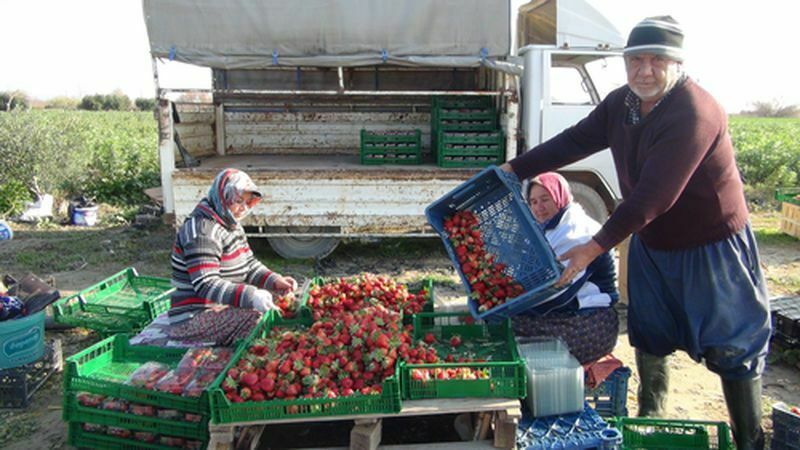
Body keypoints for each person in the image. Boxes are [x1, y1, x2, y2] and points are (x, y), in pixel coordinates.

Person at [501, 16, 770, 449]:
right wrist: (514, 169)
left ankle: (750, 440)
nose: (645, 70)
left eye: (657, 60)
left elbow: (652, 198)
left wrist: (592, 249)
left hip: (710, 246)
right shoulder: (622, 104)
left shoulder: (693, 112)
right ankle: (650, 421)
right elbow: (574, 140)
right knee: (651, 332)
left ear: (677, 64)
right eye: (636, 60)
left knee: (732, 347)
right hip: (654, 242)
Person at [512, 172, 619, 365]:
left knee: (505, 327)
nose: (539, 208)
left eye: (545, 199)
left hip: (590, 325)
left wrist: (510, 303)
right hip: (568, 313)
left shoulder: (575, 231)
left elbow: (556, 293)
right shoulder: (554, 227)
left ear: (560, 196)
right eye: (533, 202)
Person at [169, 169, 297, 318]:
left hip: (221, 306)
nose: (244, 208)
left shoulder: (230, 224)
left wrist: (275, 280)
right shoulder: (202, 231)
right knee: (261, 317)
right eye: (238, 201)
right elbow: (206, 284)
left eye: (248, 202)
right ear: (222, 196)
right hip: (195, 314)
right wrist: (252, 296)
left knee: (284, 298)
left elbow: (248, 264)